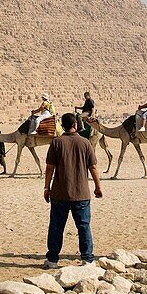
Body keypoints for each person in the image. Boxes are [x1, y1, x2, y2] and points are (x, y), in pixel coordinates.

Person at [43, 113, 102, 268]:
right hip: (81, 193)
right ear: (75, 124)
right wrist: (98, 186)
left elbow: (50, 168)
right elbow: (93, 167)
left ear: (62, 125)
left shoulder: (56, 143)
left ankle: (53, 259)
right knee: (83, 226)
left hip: (59, 193)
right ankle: (87, 259)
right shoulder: (85, 143)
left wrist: (46, 187)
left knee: (56, 227)